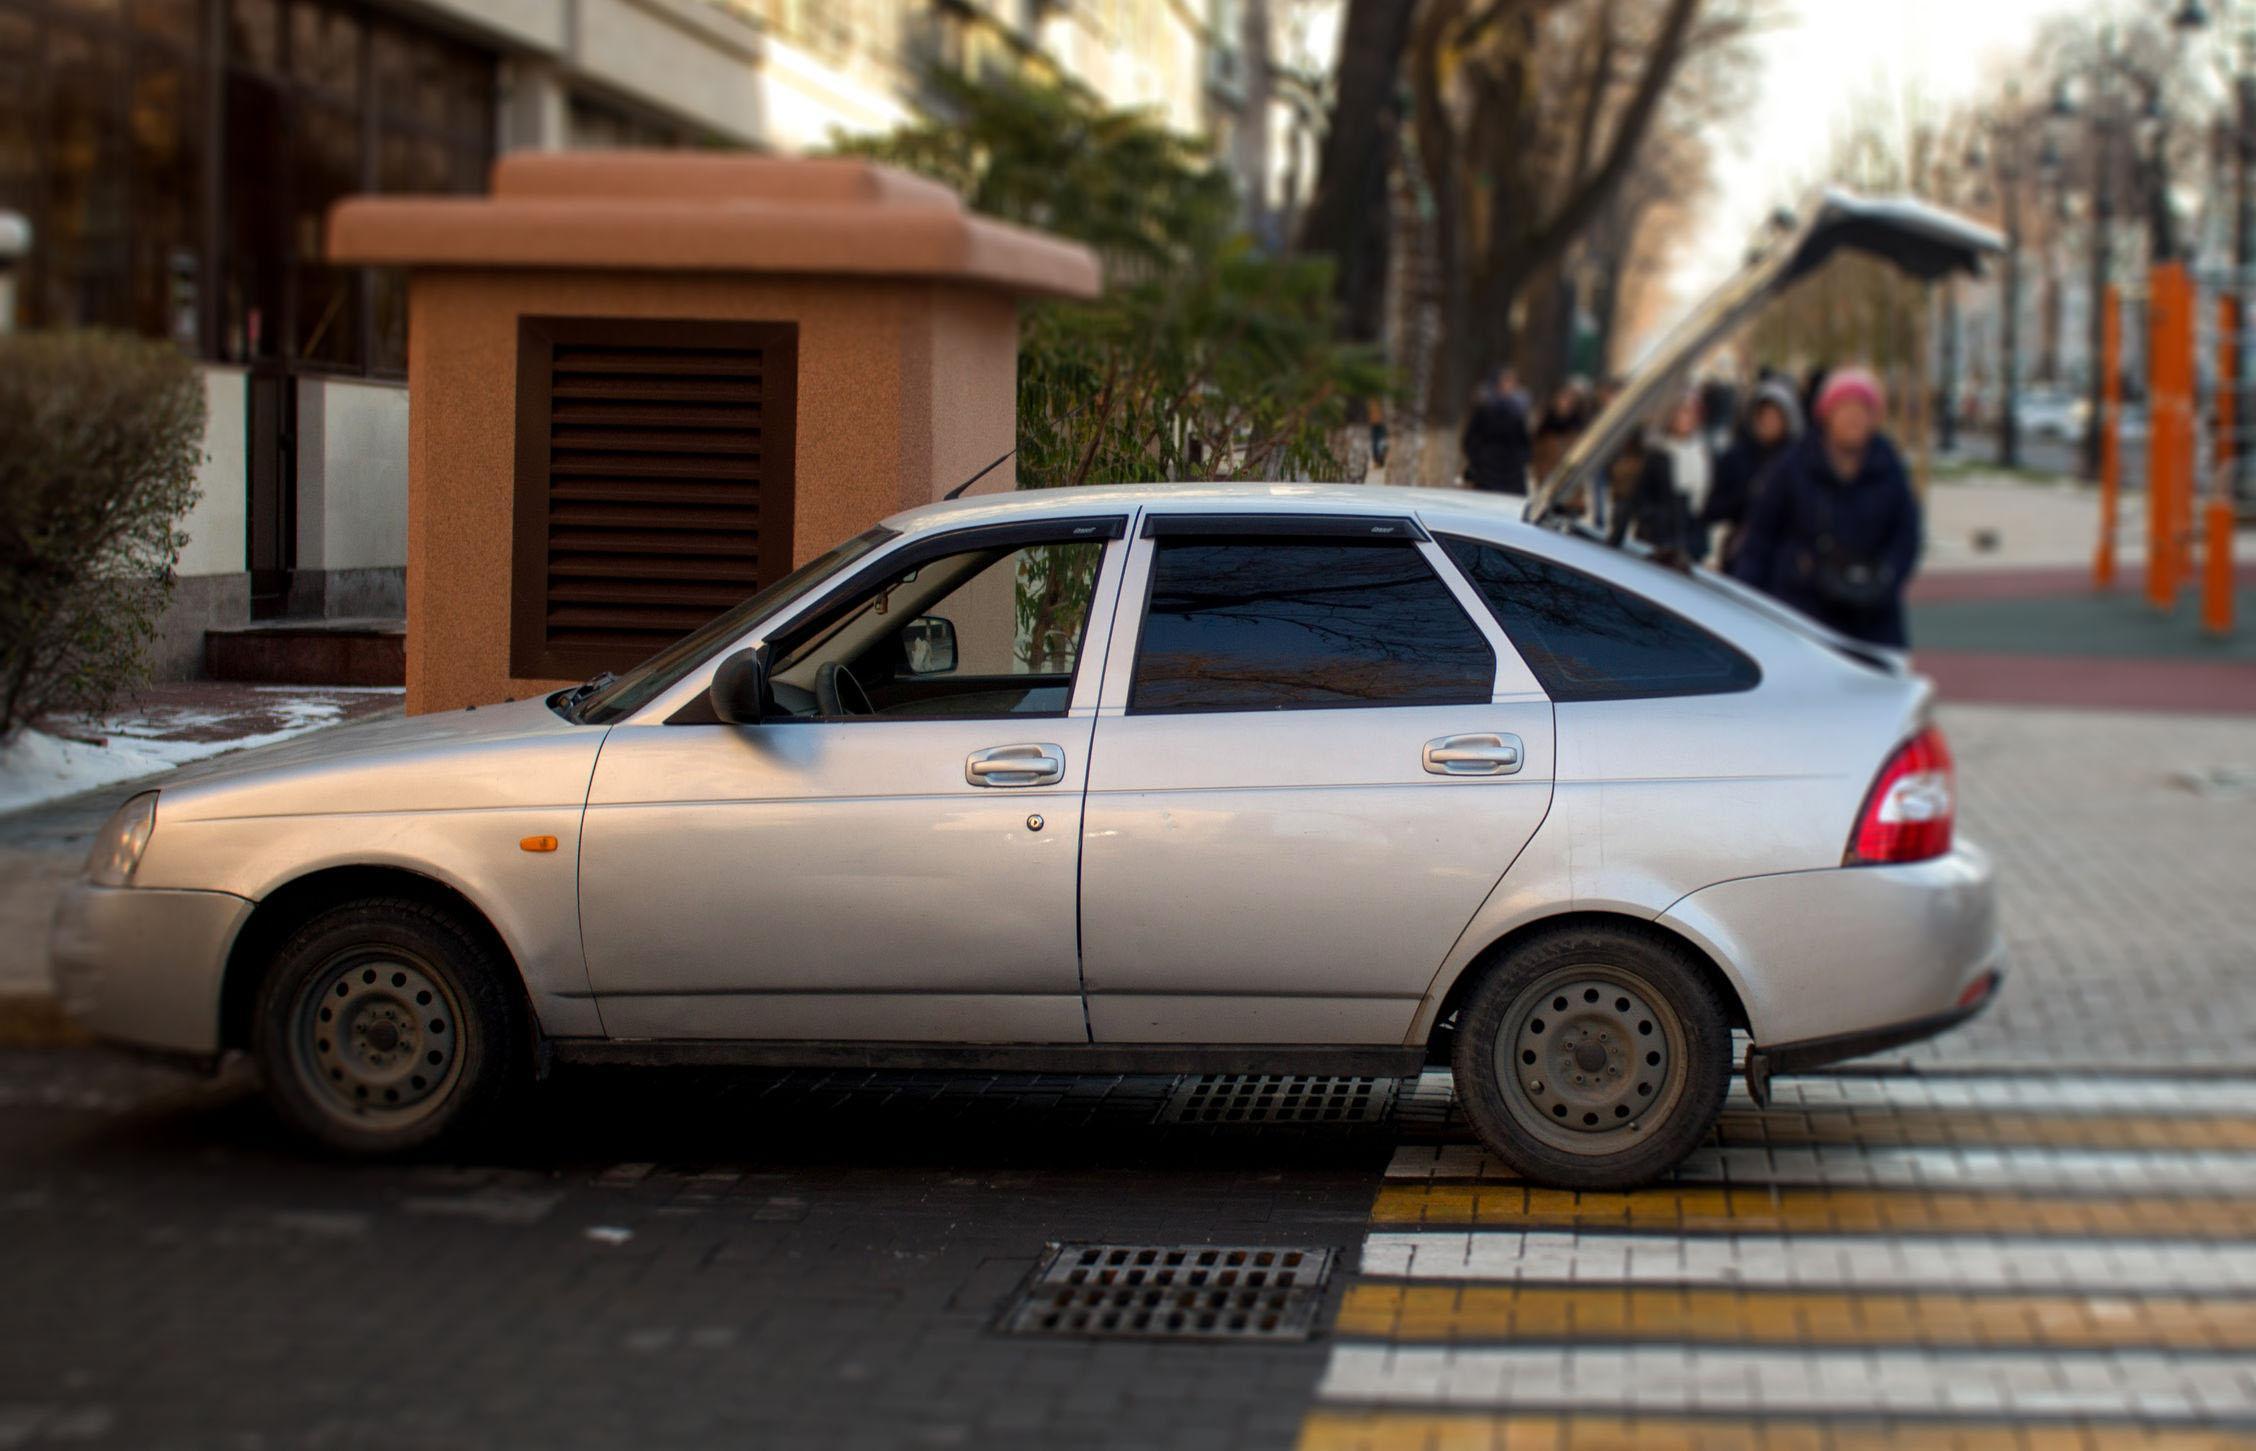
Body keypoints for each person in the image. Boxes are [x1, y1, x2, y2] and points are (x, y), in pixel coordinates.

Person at [1731, 366, 1921, 647]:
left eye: (1863, 410)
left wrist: (1885, 575)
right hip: (1801, 613)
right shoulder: (1793, 466)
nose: (1854, 418)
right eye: (1845, 408)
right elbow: (1761, 538)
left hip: (1870, 618)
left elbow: (1907, 535)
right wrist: (1744, 604)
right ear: (1827, 414)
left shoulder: (1889, 469)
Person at [1703, 377, 1802, 570]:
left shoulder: (1795, 464)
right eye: (1763, 415)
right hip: (1736, 553)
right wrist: (1747, 495)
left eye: (1775, 417)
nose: (1768, 422)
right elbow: (1712, 509)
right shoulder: (1735, 456)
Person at [1651, 390, 1712, 561]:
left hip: (1691, 535)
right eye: (1681, 412)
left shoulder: (1702, 450)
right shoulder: (1659, 450)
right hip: (1661, 534)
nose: (1685, 418)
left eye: (1689, 413)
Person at [1460, 368, 1532, 494]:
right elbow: (1470, 439)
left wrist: (1519, 460)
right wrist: (1480, 459)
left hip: (1512, 475)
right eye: (1505, 382)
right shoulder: (1483, 409)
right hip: (1486, 474)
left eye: (1512, 383)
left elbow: (1524, 442)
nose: (1508, 386)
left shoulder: (1518, 412)